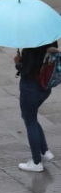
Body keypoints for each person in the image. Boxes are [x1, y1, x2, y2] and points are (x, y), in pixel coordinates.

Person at [14, 41, 58, 172]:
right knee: (30, 117)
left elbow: (27, 69)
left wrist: (18, 61)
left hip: (31, 86)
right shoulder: (51, 39)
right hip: (45, 86)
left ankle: (36, 162)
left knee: (30, 121)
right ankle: (44, 151)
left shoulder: (33, 45)